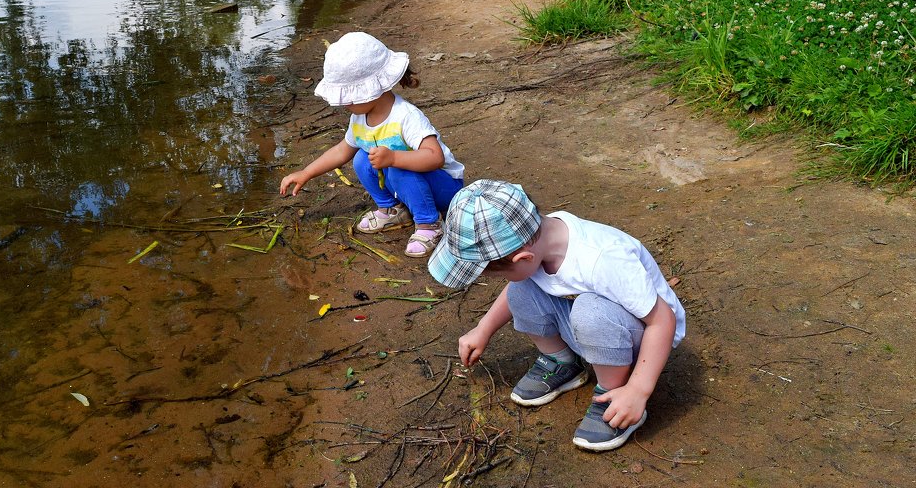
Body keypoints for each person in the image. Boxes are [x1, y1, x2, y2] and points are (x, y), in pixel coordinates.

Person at [429, 180, 685, 452]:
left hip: (643, 339)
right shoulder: (540, 238)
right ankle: (562, 362)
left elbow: (662, 321)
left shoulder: (603, 259)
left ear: (523, 258)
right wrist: (483, 328)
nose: (502, 279)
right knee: (520, 289)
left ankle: (614, 392)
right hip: (597, 329)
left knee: (590, 311)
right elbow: (518, 283)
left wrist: (639, 390)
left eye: (500, 272)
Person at [279, 32, 465, 258]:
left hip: (444, 188)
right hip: (408, 185)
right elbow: (342, 150)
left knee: (396, 166)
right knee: (360, 158)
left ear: (372, 88)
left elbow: (435, 157)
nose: (344, 103)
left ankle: (430, 224)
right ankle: (391, 209)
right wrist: (306, 172)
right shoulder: (359, 117)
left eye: (350, 96)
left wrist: (395, 158)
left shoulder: (405, 116)